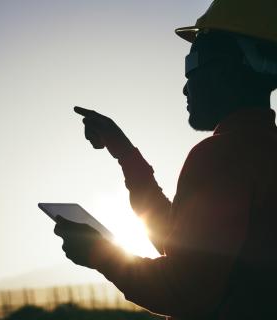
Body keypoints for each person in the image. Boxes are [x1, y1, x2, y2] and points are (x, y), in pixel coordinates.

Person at [54, 0, 277, 319]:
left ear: (231, 65)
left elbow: (182, 290)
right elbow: (183, 244)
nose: (186, 86)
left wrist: (98, 252)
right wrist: (125, 153)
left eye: (193, 62)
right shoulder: (263, 151)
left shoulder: (221, 155)